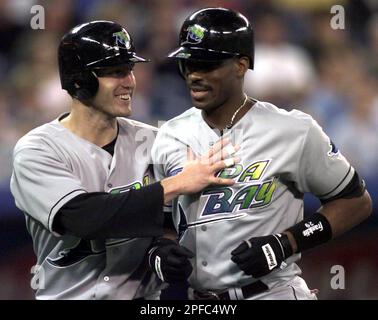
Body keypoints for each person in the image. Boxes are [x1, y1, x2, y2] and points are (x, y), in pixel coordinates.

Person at [150, 8, 372, 300]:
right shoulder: (169, 134)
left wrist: (286, 243)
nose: (194, 75)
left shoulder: (293, 130)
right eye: (188, 64)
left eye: (207, 64)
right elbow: (162, 221)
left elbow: (355, 202)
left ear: (241, 65)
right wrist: (161, 250)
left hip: (272, 293)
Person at [10, 20, 237, 300]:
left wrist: (161, 251)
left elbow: (169, 221)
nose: (129, 81)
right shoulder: (38, 149)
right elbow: (83, 218)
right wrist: (174, 185)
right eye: (115, 72)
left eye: (129, 70)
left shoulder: (157, 141)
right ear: (79, 79)